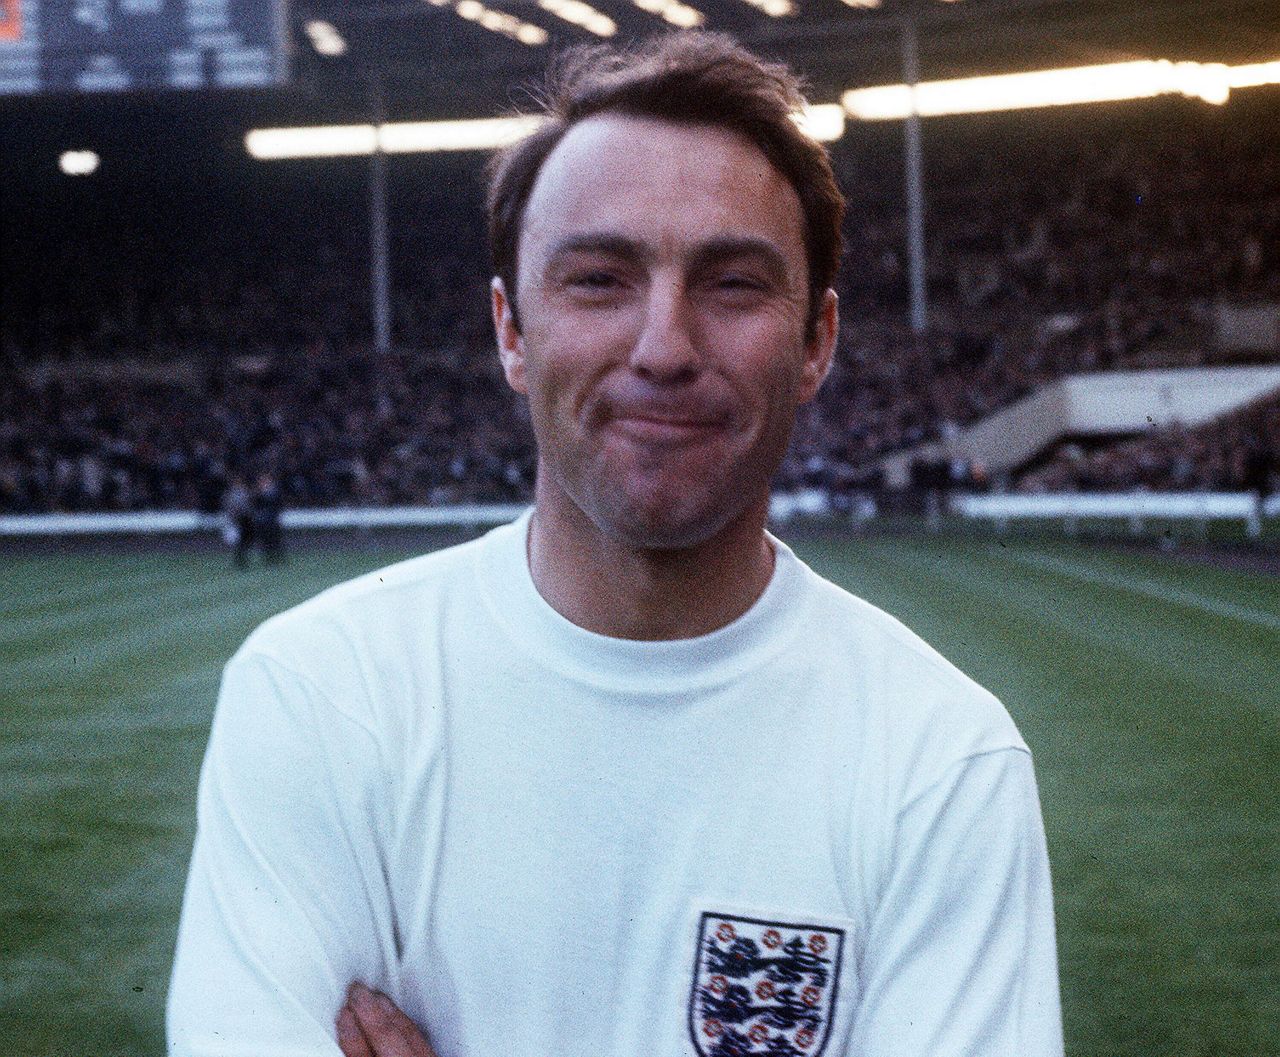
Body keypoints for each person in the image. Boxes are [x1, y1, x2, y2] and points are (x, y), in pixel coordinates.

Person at [168, 32, 1063, 1057]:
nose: (663, 348)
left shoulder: (940, 757)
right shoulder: (320, 694)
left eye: (731, 284)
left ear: (815, 341)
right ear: (511, 329)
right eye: (598, 279)